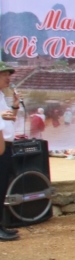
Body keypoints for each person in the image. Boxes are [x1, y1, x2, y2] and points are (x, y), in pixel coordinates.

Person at [0, 63, 22, 241]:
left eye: (8, 74)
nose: (8, 78)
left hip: (6, 146)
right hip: (0, 147)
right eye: (4, 75)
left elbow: (7, 119)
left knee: (3, 187)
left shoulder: (1, 95)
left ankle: (1, 225)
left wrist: (15, 106)